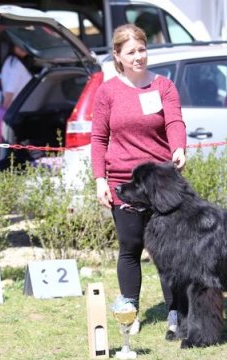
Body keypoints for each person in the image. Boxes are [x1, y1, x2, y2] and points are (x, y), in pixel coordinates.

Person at [90, 24, 186, 335]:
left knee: (169, 250)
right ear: (117, 55)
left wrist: (179, 147)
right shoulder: (107, 92)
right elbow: (98, 138)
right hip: (124, 183)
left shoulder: (163, 87)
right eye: (131, 52)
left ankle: (176, 310)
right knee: (130, 247)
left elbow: (174, 121)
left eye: (142, 50)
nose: (139, 57)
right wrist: (100, 180)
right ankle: (129, 311)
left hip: (161, 184)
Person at [0, 45, 32, 109]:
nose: (22, 48)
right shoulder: (17, 64)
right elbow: (9, 91)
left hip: (16, 106)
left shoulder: (10, 61)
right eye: (18, 45)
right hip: (16, 108)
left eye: (24, 45)